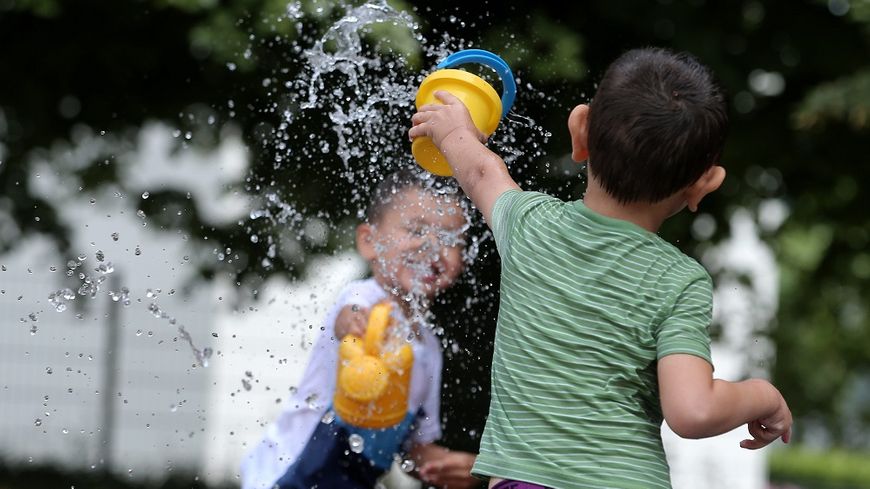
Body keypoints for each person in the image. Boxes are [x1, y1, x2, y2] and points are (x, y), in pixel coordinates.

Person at [408, 47, 792, 489]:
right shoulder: (679, 282)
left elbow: (479, 169)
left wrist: (452, 126)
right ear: (704, 184)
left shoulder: (531, 225)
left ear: (579, 131)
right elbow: (693, 411)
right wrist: (761, 394)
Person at [239, 169, 480, 489]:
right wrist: (354, 322)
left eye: (450, 238)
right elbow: (346, 316)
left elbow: (414, 449)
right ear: (369, 242)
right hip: (286, 472)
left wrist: (467, 468)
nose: (432, 246)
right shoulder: (364, 298)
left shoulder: (429, 349)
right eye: (416, 229)